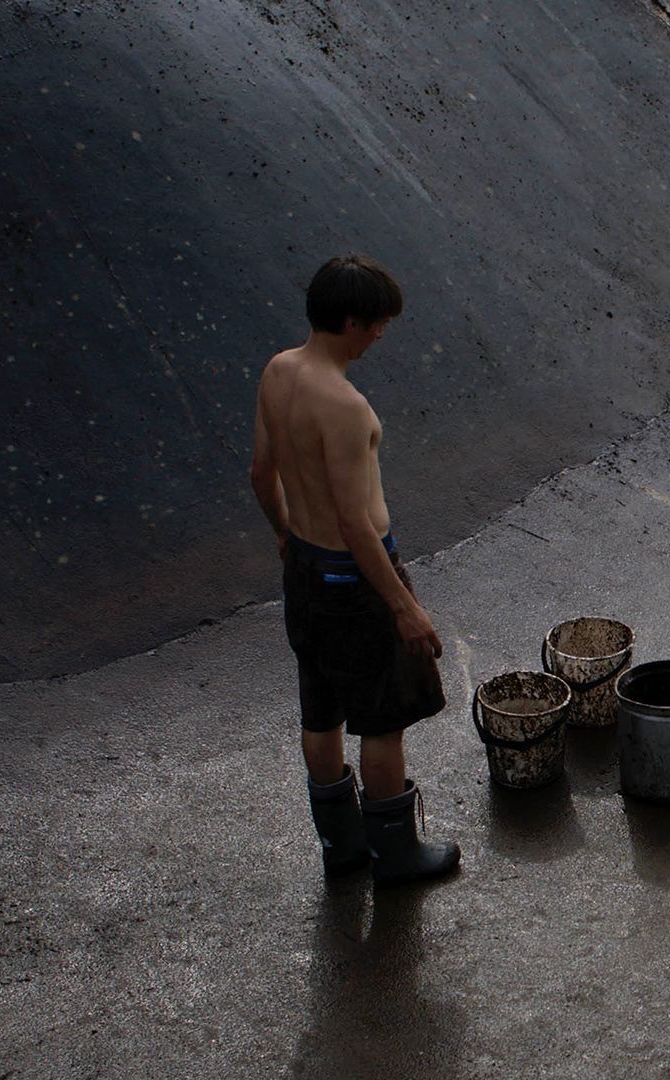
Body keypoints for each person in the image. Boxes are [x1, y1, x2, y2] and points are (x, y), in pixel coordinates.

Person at [249, 254, 460, 886]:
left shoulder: (278, 371)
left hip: (306, 573)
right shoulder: (343, 405)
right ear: (349, 322)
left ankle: (341, 849)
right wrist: (404, 605)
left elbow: (262, 473)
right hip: (355, 580)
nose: (380, 336)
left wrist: (286, 538)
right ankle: (397, 857)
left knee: (320, 711)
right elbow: (354, 523)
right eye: (376, 325)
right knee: (382, 720)